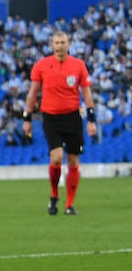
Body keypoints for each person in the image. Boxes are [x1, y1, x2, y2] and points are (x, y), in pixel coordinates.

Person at [22, 29, 97, 215]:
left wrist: (91, 120)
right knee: (56, 158)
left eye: (63, 42)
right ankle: (54, 194)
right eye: (56, 43)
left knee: (72, 160)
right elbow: (33, 93)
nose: (59, 46)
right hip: (51, 117)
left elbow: (86, 93)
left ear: (69, 44)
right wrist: (27, 118)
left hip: (73, 116)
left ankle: (69, 205)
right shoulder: (42, 65)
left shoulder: (78, 65)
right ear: (51, 45)